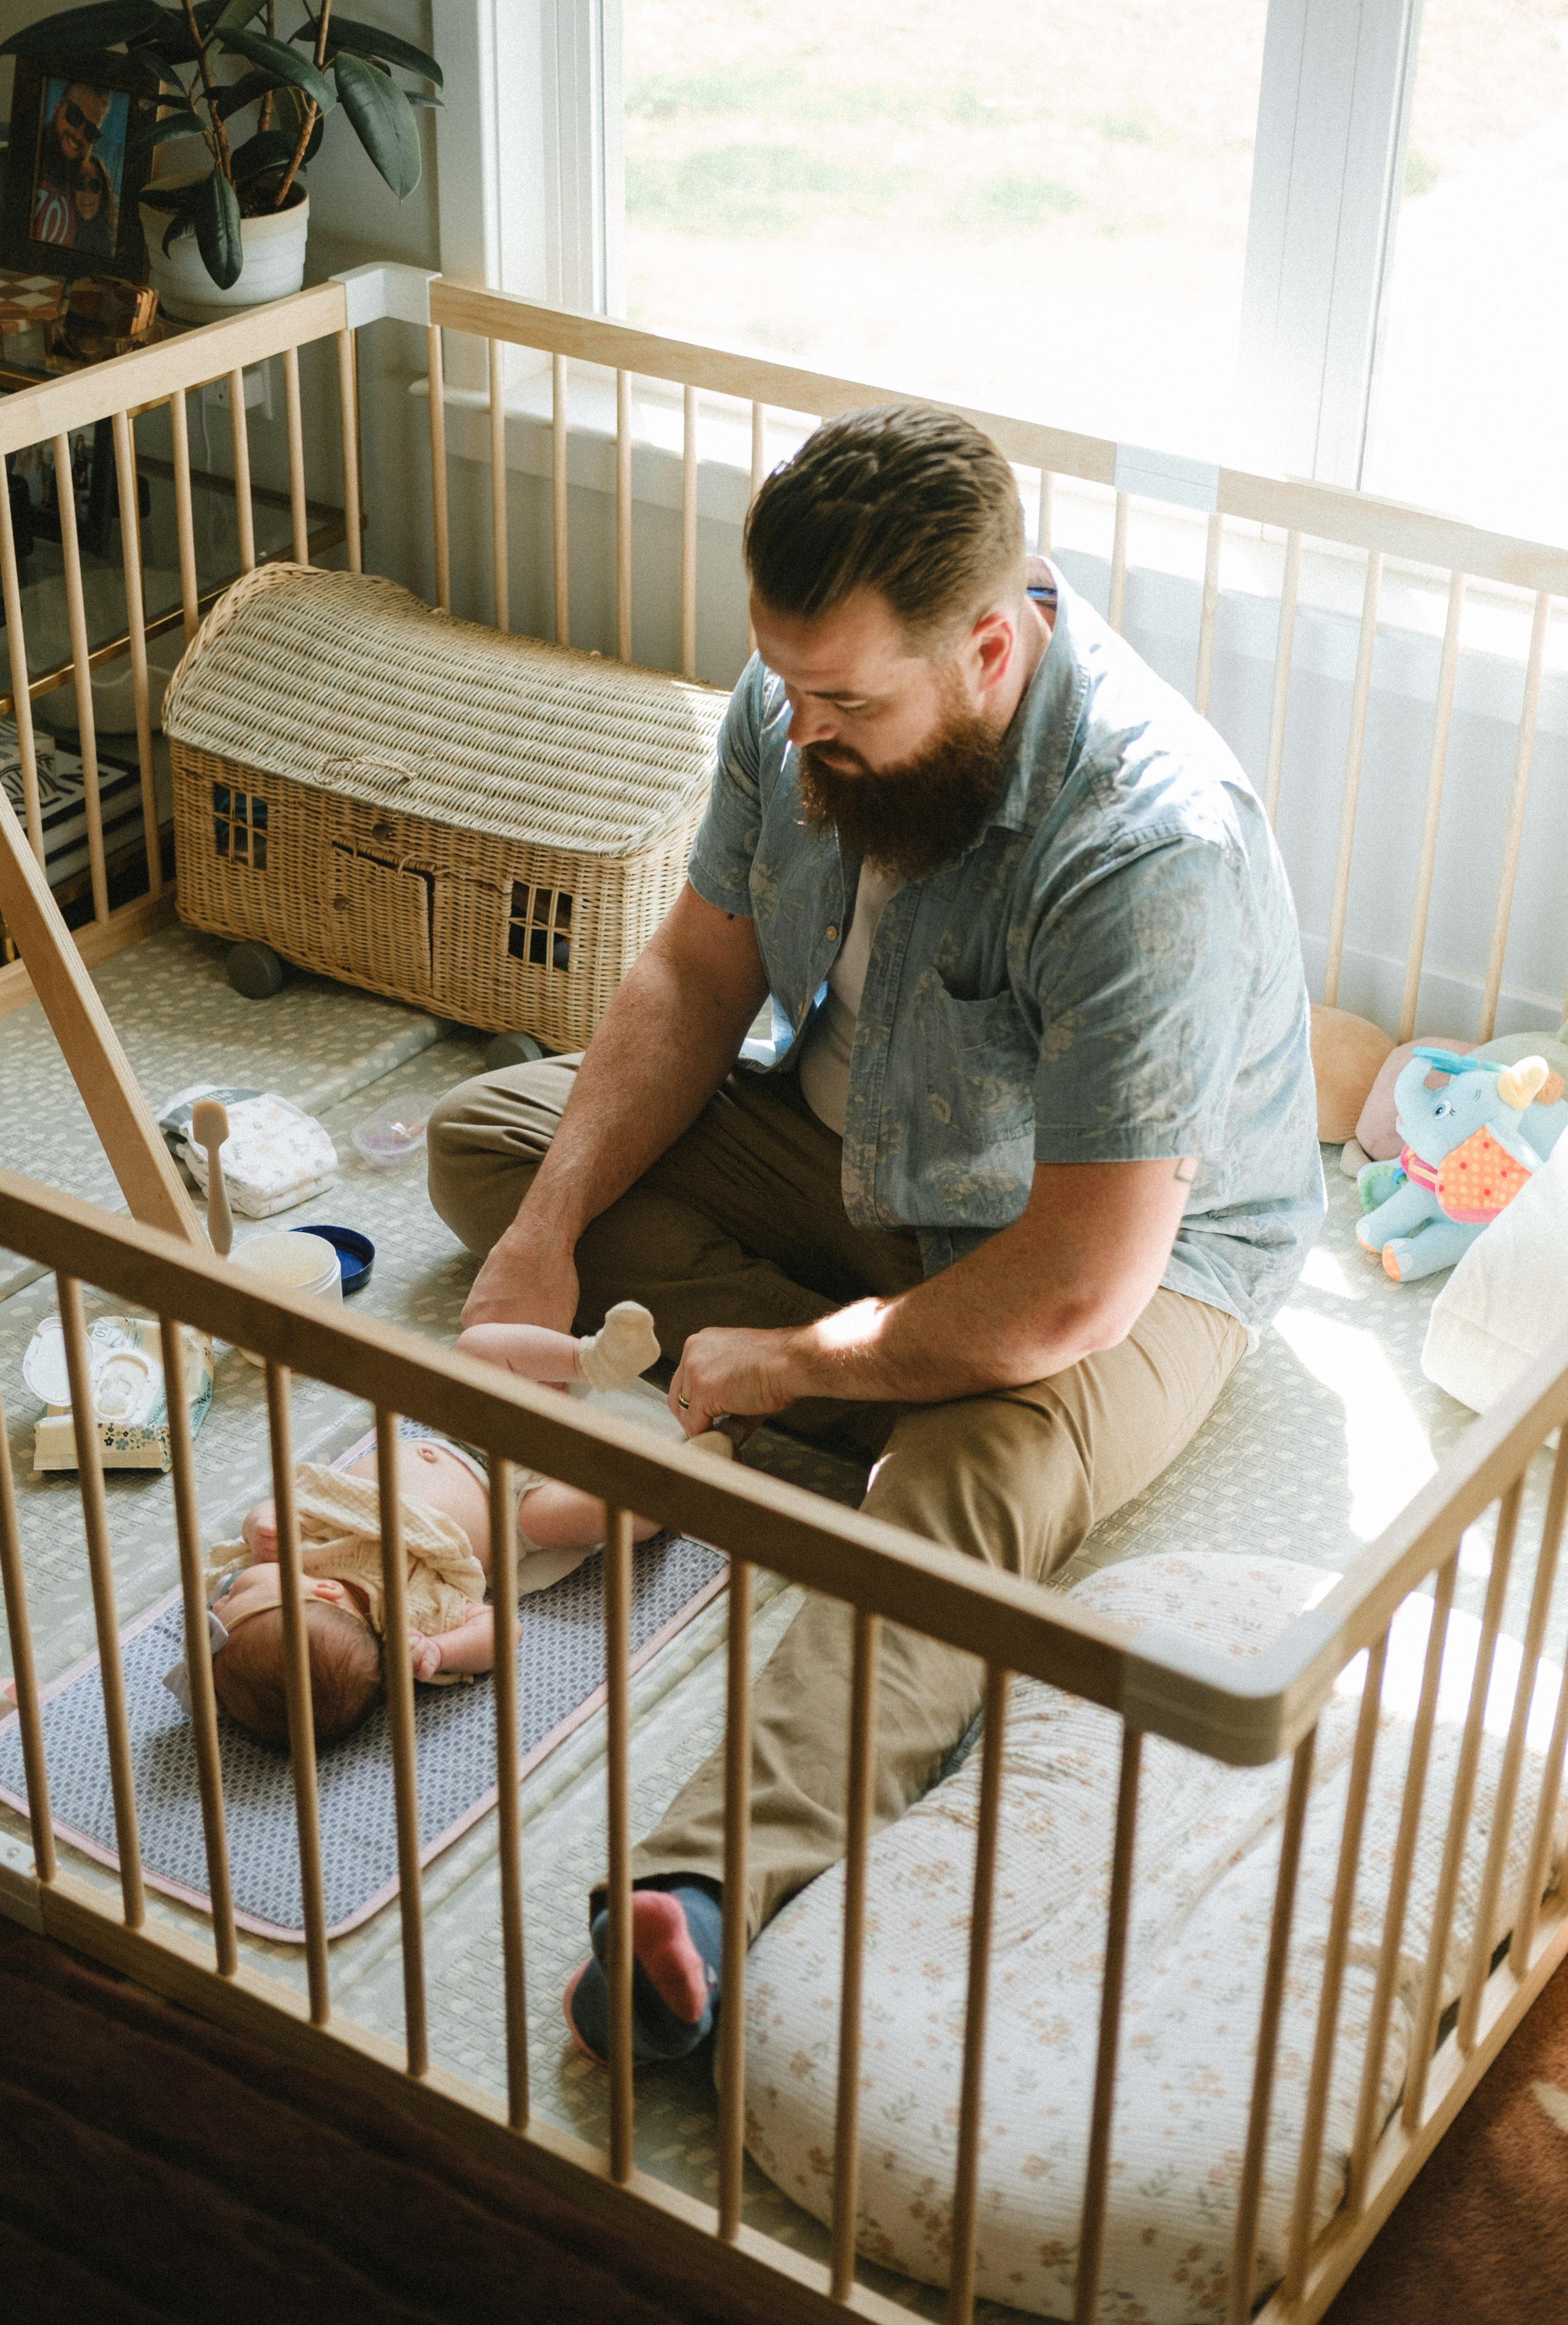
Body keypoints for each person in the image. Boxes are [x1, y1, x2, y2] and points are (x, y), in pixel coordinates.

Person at [424, 403, 1325, 2063]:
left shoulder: (1148, 847)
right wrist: (548, 1230)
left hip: (1112, 1263)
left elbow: (1073, 1289)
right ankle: (877, 1405)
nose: (800, 726)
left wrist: (791, 1361)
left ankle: (696, 1893)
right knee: (490, 1146)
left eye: (844, 702)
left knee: (964, 1477)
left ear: (989, 648)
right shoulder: (803, 705)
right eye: (786, 683)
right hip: (852, 1158)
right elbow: (699, 971)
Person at [183, 1304, 725, 1748]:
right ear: (321, 1592)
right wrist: (443, 1652)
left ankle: (593, 1360)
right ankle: (689, 1472)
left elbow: (283, 1505)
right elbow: (502, 1632)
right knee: (617, 1518)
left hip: (462, 1435)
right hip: (515, 1509)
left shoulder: (289, 1547)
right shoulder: (410, 1617)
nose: (219, 1597)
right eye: (233, 1599)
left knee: (477, 1348)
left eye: (224, 1596)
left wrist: (261, 1520)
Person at [30, 81, 111, 251]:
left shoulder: (77, 194)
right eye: (75, 116)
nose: (79, 135)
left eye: (90, 131)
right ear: (58, 108)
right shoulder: (23, 155)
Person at [70, 154, 117, 259]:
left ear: (103, 193)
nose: (87, 192)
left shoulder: (114, 245)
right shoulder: (62, 234)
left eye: (94, 185)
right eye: (80, 184)